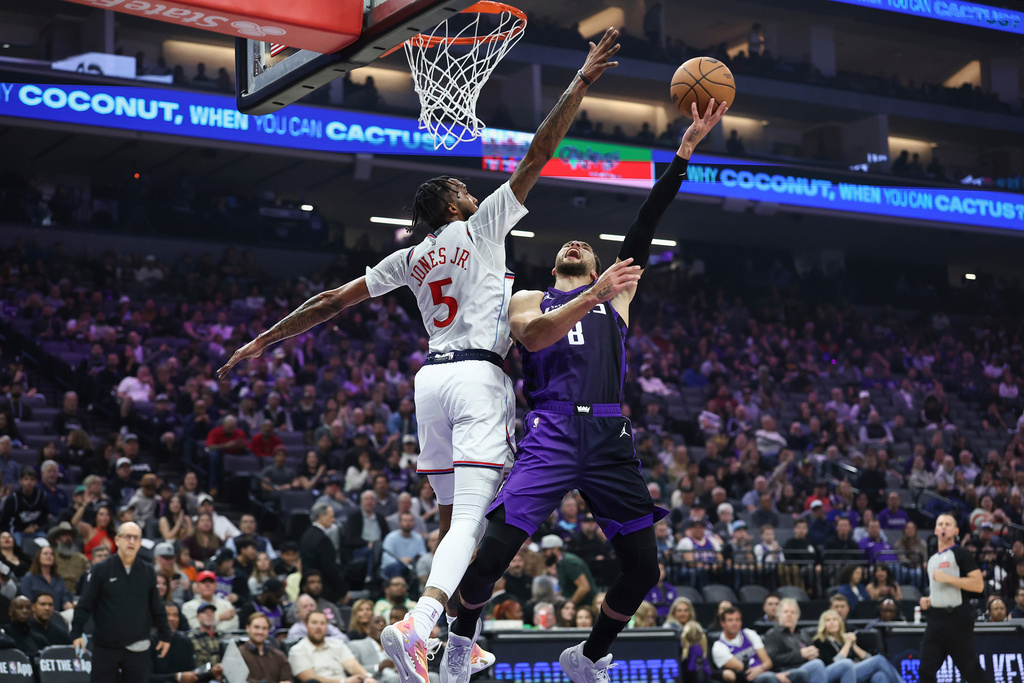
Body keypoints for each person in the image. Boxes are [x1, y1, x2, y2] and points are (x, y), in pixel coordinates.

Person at [220, 29, 624, 683]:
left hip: (429, 381)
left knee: (452, 519)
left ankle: (460, 642)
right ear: (452, 205)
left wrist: (266, 337)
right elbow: (539, 152)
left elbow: (331, 301)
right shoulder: (481, 226)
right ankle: (419, 624)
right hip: (476, 377)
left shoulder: (409, 258)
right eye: (463, 188)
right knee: (473, 519)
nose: (473, 191)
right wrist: (579, 82)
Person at [446, 94, 729, 683]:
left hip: (608, 434)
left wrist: (683, 153)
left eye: (587, 248)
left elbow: (646, 221)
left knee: (644, 570)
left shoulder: (617, 294)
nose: (575, 245)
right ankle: (458, 643)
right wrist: (591, 294)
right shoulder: (530, 297)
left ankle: (589, 654)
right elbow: (533, 338)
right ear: (556, 267)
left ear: (602, 267)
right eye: (566, 247)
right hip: (551, 429)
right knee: (493, 554)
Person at [71, 521, 173, 682]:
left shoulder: (147, 570)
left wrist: (165, 635)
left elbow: (157, 606)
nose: (132, 541)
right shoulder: (101, 569)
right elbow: (85, 603)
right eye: (128, 537)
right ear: (117, 540)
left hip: (138, 645)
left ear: (140, 542)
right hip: (106, 646)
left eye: (136, 538)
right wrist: (77, 632)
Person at [918, 513, 989, 683]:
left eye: (948, 524)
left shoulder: (962, 554)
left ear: (956, 531)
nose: (943, 526)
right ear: (935, 530)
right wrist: (929, 599)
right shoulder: (932, 559)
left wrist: (948, 578)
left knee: (971, 671)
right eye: (940, 524)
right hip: (935, 620)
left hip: (957, 620)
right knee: (925, 670)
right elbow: (939, 589)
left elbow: (978, 585)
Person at [764, 599, 850, 683]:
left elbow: (818, 654)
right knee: (816, 664)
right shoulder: (773, 634)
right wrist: (800, 655)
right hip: (789, 671)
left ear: (798, 616)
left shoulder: (802, 634)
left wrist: (815, 654)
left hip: (811, 668)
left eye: (793, 612)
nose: (789, 615)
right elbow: (773, 660)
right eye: (786, 612)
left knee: (847, 664)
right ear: (779, 615)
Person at [711, 605, 802, 683]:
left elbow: (768, 662)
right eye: (730, 620)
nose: (735, 623)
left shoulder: (749, 633)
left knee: (800, 674)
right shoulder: (719, 647)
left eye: (737, 620)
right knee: (769, 678)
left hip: (767, 672)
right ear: (723, 623)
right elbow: (745, 670)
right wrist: (771, 673)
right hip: (748, 679)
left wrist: (764, 670)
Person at [288, 610, 378, 683]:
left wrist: (367, 677)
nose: (318, 627)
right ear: (306, 626)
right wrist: (343, 681)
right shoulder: (297, 650)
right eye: (314, 623)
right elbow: (310, 678)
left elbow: (352, 664)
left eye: (322, 623)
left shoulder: (337, 644)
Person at [811, 609, 900, 683]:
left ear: (839, 623)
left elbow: (868, 658)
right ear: (823, 624)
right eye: (828, 620)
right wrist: (847, 644)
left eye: (834, 620)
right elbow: (836, 665)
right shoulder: (820, 641)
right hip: (839, 674)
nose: (832, 623)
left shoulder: (844, 639)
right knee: (879, 660)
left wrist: (854, 646)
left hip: (855, 670)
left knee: (879, 676)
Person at [149, 602, 222, 683]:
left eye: (175, 615)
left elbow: (193, 675)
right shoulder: (150, 641)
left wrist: (211, 674)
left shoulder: (185, 641)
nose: (171, 618)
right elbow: (145, 677)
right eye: (167, 614)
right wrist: (177, 677)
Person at [301, 502, 350, 605]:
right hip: (324, 590)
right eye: (331, 516)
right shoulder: (322, 539)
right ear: (321, 516)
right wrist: (342, 591)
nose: (333, 520)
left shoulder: (306, 535)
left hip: (309, 587)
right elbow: (329, 568)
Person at [239, 612, 293, 683]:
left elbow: (287, 679)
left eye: (264, 628)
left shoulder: (279, 656)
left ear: (268, 631)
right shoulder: (239, 654)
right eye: (256, 627)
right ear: (248, 628)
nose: (260, 632)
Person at [348, 614, 400, 683]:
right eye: (377, 622)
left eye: (384, 622)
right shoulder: (356, 645)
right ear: (368, 628)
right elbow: (351, 669)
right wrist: (378, 667)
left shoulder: (394, 646)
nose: (381, 624)